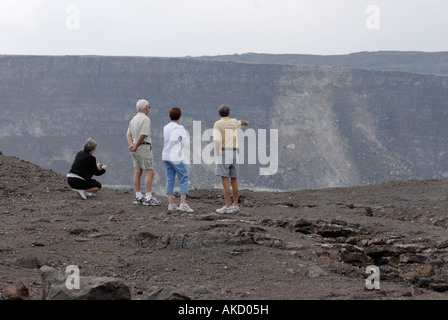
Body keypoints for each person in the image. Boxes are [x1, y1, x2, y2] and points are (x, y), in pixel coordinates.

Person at [213, 105, 248, 214]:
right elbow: (240, 122)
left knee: (225, 181)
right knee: (234, 180)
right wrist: (244, 122)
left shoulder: (217, 124)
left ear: (219, 114)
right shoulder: (233, 122)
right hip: (234, 152)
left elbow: (217, 140)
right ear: (229, 113)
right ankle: (236, 205)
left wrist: (217, 153)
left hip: (223, 152)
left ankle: (227, 206)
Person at [126, 99, 161, 206]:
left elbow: (128, 134)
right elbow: (143, 134)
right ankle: (148, 197)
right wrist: (136, 145)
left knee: (137, 171)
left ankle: (138, 196)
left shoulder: (133, 119)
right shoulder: (146, 119)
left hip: (135, 150)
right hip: (143, 147)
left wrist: (131, 144)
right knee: (149, 172)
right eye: (148, 107)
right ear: (146, 107)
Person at [162, 107, 194, 212]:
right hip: (176, 156)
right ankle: (183, 203)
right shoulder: (180, 128)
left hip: (165, 156)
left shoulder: (165, 127)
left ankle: (171, 204)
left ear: (169, 116)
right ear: (180, 117)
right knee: (183, 177)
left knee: (170, 178)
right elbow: (186, 143)